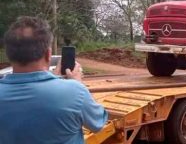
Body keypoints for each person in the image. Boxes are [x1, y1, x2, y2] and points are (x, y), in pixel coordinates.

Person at [0, 16, 108, 144]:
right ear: (48, 54)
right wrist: (78, 85)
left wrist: (54, 77)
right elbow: (98, 123)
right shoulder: (74, 92)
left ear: (9, 54)